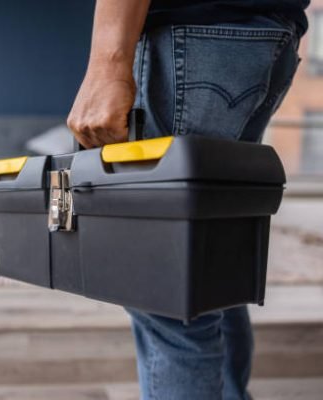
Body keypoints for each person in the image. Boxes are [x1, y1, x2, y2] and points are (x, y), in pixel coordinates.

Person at [67, 1, 309, 399]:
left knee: (164, 294)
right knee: (213, 264)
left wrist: (108, 63)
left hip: (193, 38)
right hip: (266, 34)